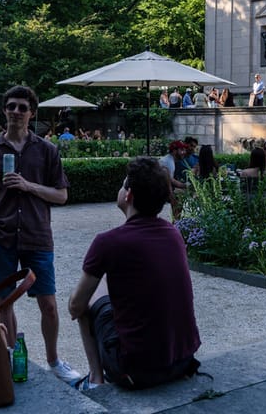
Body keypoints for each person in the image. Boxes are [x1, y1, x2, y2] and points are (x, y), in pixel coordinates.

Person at [0, 85, 82, 384]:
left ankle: (54, 361)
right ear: (4, 111)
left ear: (32, 113)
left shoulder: (47, 151)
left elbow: (61, 196)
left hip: (37, 237)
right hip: (2, 238)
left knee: (48, 303)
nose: (16, 112)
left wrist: (28, 185)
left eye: (22, 107)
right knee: (4, 303)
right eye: (11, 106)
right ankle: (8, 358)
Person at [68, 157, 201, 390]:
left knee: (85, 299)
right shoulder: (172, 234)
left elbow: (75, 307)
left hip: (136, 370)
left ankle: (95, 380)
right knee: (108, 283)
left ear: (128, 195)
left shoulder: (108, 242)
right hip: (183, 360)